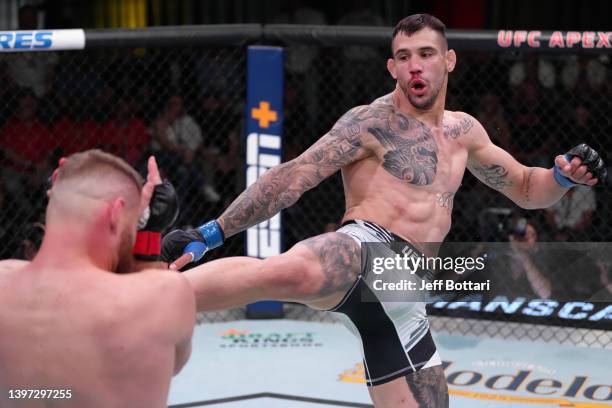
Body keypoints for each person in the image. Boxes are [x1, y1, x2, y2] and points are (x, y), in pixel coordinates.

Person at [162, 14, 606, 408]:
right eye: (404, 56)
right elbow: (295, 176)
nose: (416, 64)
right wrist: (213, 232)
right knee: (289, 270)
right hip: (365, 250)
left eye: (427, 54)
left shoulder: (465, 131)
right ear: (392, 67)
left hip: (404, 297)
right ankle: (150, 297)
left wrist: (564, 178)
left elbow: (528, 188)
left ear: (448, 61)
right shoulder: (369, 122)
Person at [0, 150, 195, 407]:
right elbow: (171, 364)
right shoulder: (164, 295)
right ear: (115, 214)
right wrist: (149, 233)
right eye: (132, 226)